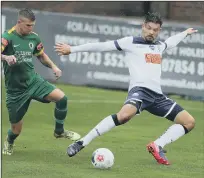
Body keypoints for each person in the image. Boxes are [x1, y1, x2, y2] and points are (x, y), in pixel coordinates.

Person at [54, 12, 196, 165]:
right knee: (123, 116)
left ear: (159, 31)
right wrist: (73, 49)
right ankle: (81, 143)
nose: (151, 32)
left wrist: (185, 33)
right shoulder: (130, 42)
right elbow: (102, 46)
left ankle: (158, 145)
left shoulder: (159, 46)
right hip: (140, 92)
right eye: (148, 28)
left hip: (158, 97)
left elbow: (171, 42)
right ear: (143, 26)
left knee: (189, 122)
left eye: (155, 30)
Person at [1, 8, 81, 155]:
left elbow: (41, 56)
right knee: (16, 130)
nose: (31, 28)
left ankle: (59, 131)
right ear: (19, 22)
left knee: (62, 98)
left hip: (33, 81)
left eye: (33, 25)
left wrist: (54, 67)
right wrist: (5, 57)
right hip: (15, 90)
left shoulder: (33, 37)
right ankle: (9, 141)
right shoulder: (7, 37)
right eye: (28, 25)